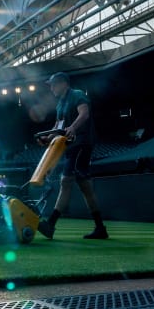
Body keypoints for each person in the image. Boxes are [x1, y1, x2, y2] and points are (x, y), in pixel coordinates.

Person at [36, 71, 109, 239]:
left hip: (82, 143)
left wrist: (73, 128)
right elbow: (58, 127)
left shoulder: (77, 95)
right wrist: (47, 138)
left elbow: (84, 114)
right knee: (86, 188)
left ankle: (51, 224)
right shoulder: (60, 104)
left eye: (53, 84)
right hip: (71, 147)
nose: (52, 88)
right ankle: (100, 228)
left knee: (65, 181)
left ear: (63, 84)